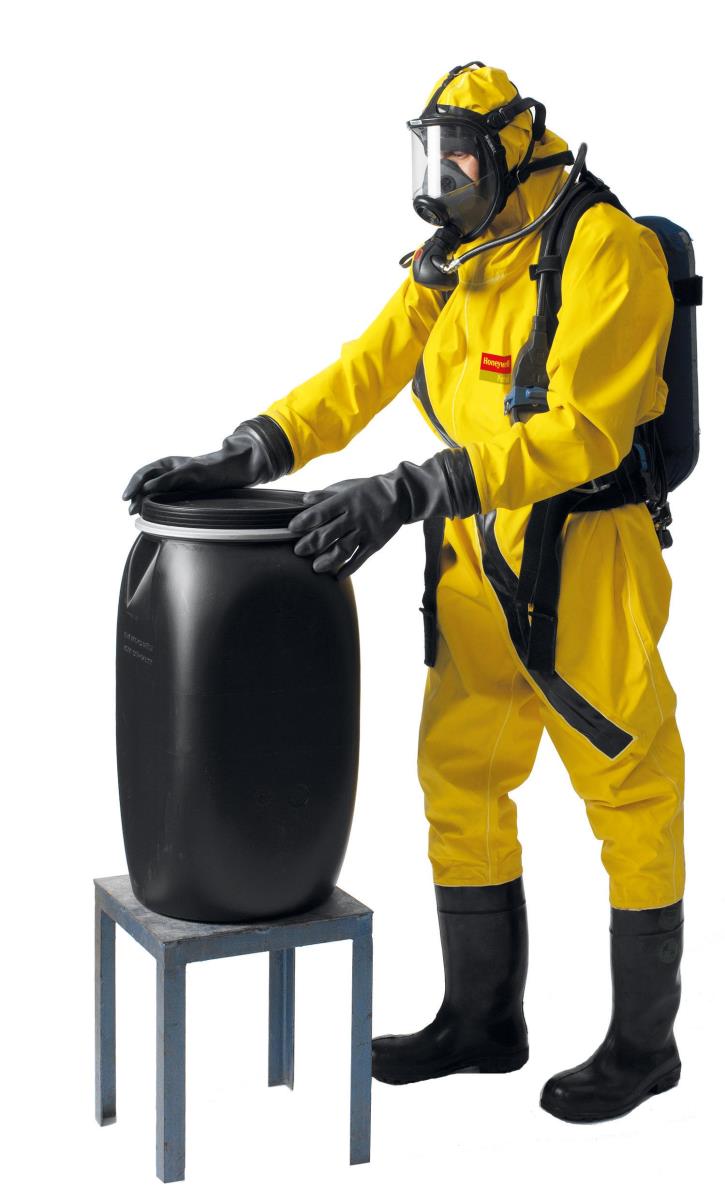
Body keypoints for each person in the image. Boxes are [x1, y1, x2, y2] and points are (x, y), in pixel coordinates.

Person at [123, 63, 685, 1124]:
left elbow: (583, 433)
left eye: (461, 158)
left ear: (511, 146)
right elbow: (368, 367)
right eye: (433, 157)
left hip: (584, 554)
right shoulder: (460, 258)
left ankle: (643, 1046)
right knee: (460, 779)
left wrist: (410, 489)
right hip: (472, 550)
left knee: (628, 783)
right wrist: (251, 449)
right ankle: (481, 1020)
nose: (443, 179)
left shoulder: (608, 251)